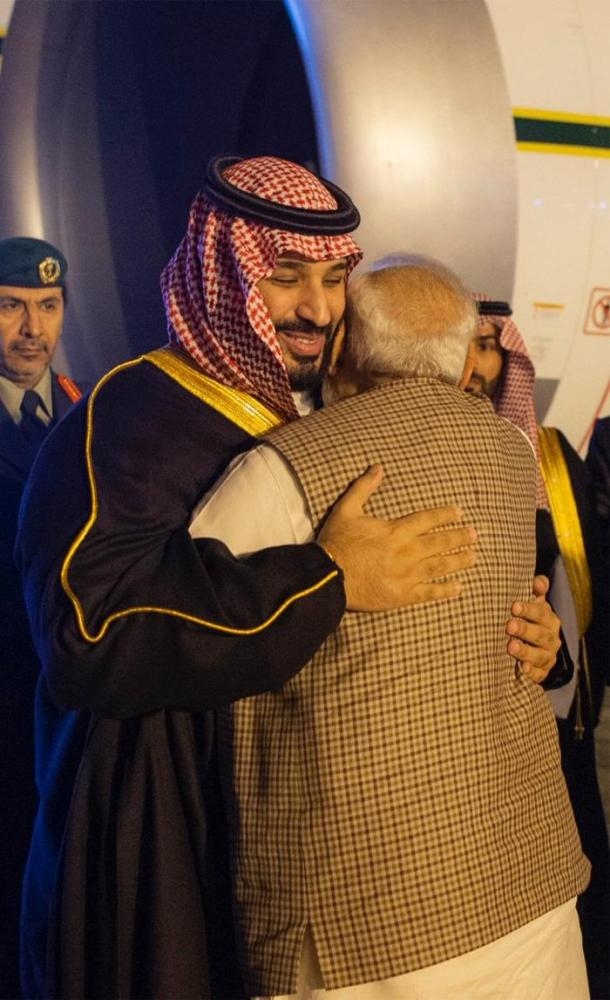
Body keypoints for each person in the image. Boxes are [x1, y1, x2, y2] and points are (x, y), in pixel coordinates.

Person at [15, 158, 490, 1000]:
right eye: (285, 278)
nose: (316, 308)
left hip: (289, 837)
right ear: (223, 272)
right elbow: (89, 640)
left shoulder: (308, 417)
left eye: (335, 279)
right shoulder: (126, 419)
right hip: (155, 830)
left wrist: (525, 638)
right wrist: (320, 578)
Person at [191, 256, 587, 1000]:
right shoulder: (512, 451)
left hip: (369, 926)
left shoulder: (283, 467)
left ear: (341, 346)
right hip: (530, 888)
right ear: (464, 353)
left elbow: (186, 630)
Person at [466, 298, 610, 999]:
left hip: (557, 706)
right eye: (460, 345)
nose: (474, 364)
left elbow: (588, 584)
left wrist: (567, 668)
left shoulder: (551, 455)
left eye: (490, 345)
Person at [0, 237, 85, 999]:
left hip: (61, 690)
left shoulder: (85, 410)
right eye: (12, 306)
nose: (32, 327)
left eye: (48, 308)